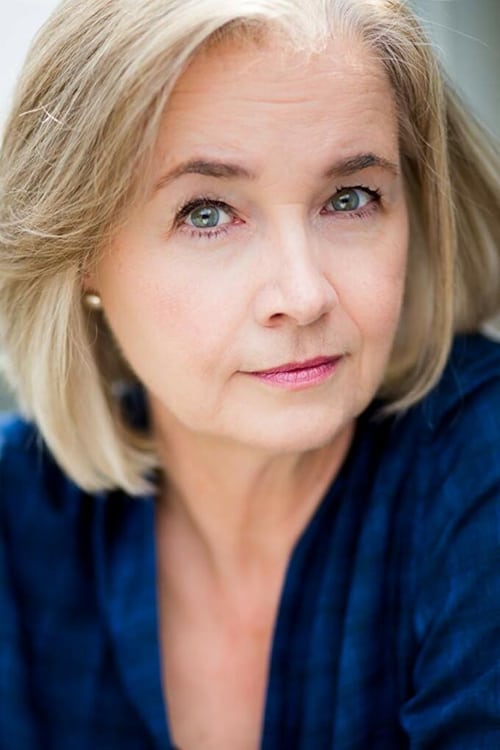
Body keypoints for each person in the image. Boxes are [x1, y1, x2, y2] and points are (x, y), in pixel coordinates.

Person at [1, 0, 500, 747]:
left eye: (350, 199)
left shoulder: (480, 462)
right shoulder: (19, 514)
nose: (304, 295)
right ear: (82, 256)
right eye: (207, 213)